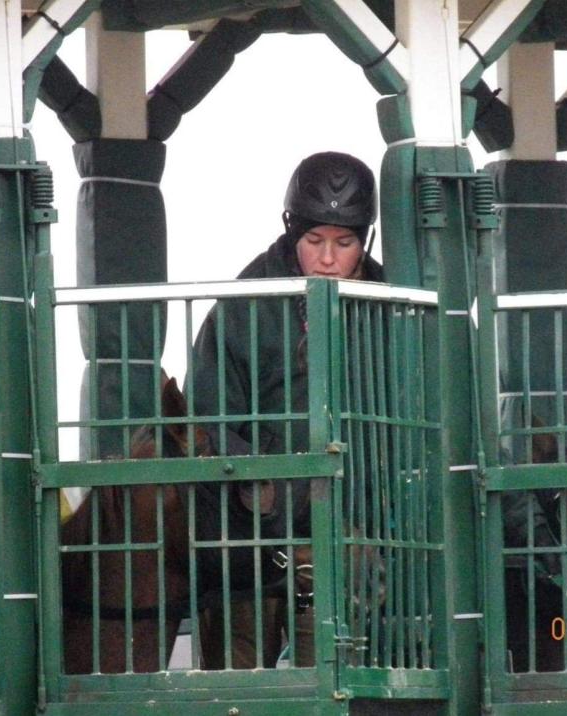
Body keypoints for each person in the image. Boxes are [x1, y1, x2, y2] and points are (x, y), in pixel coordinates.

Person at [187, 151, 383, 669]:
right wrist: (258, 485)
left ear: (364, 240)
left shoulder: (391, 305)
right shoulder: (243, 303)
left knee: (334, 669)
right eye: (314, 241)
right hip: (249, 530)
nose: (326, 258)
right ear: (292, 233)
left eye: (343, 244)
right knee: (238, 675)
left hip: (346, 527)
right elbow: (208, 412)